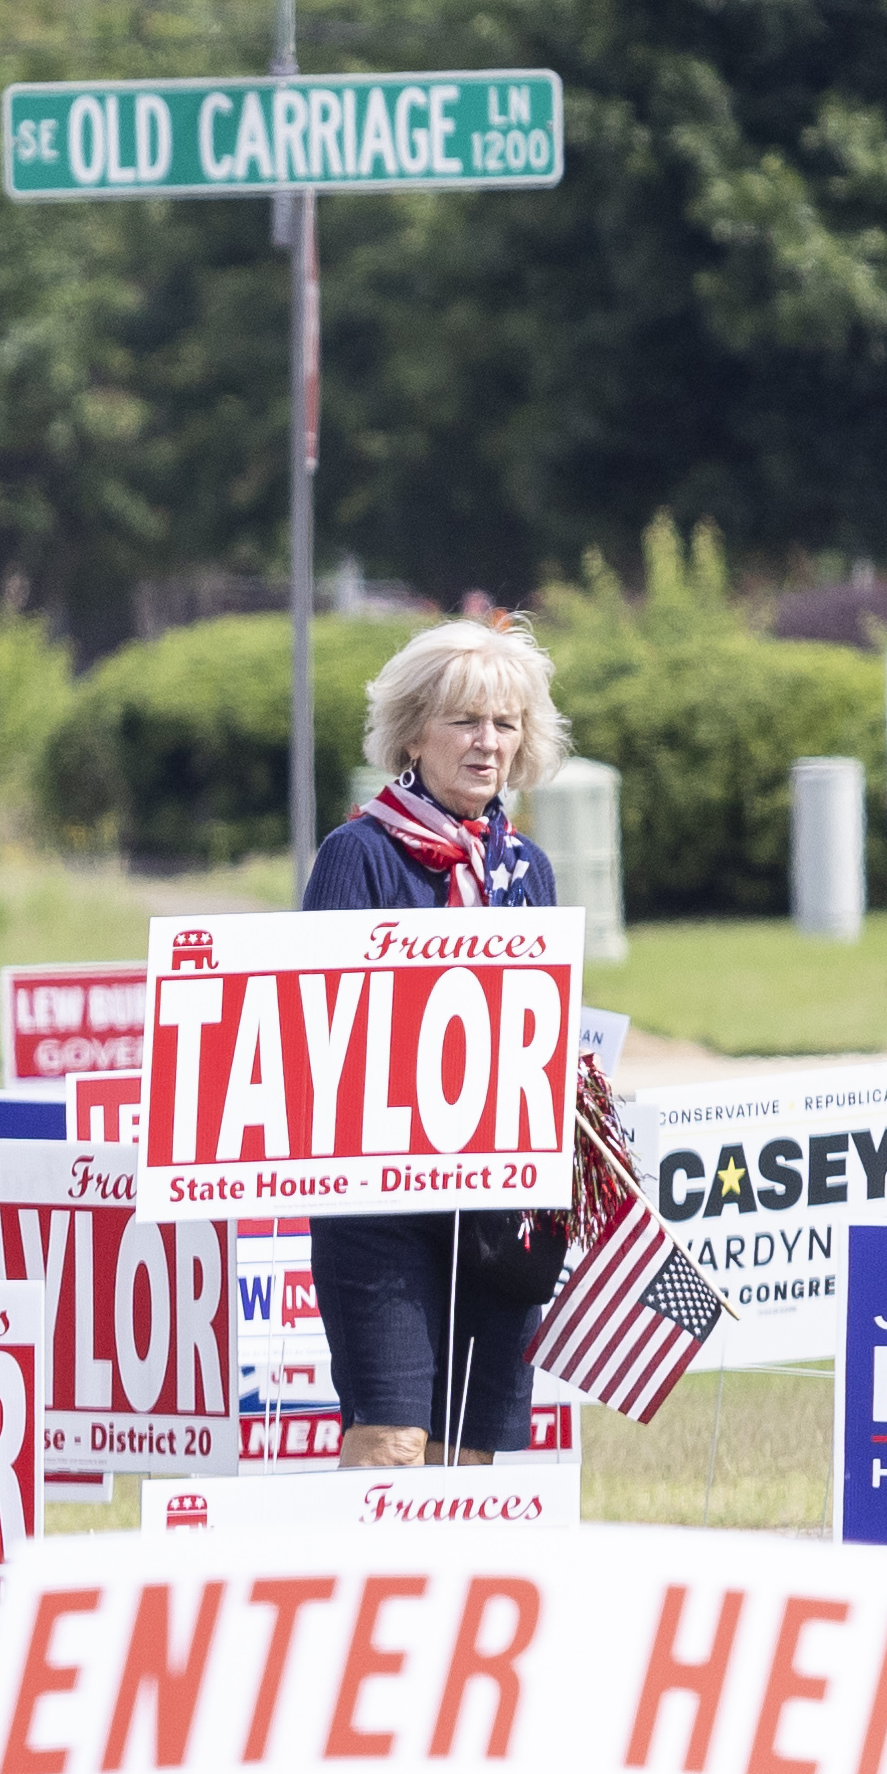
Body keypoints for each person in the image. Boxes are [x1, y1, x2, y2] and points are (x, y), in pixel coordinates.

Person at [298, 614, 576, 1471]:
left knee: (470, 1460)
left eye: (505, 723)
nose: (487, 744)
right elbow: (321, 1033)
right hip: (381, 1205)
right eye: (464, 721)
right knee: (393, 1444)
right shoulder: (359, 855)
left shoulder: (527, 871)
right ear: (413, 733)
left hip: (496, 1203)